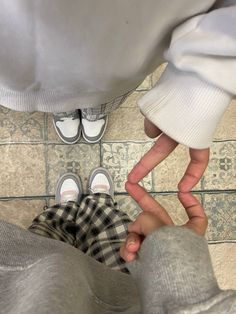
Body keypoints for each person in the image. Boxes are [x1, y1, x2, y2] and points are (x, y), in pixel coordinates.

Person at [0, 1, 235, 189]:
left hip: (124, 55)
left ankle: (92, 109)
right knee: (57, 92)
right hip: (18, 67)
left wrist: (208, 77)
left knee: (106, 93)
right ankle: (65, 107)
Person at [0, 167, 235, 313]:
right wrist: (176, 267)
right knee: (114, 238)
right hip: (120, 294)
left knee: (47, 233)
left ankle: (66, 209)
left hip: (22, 285)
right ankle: (98, 203)